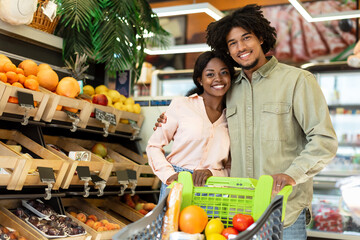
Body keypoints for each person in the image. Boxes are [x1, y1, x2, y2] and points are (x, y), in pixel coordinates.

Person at [155, 4, 338, 240]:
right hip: (240, 214)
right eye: (232, 43)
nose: (240, 47)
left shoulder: (297, 81)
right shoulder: (228, 88)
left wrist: (292, 174)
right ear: (227, 50)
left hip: (285, 210)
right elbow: (209, 128)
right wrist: (167, 121)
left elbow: (324, 140)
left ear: (261, 38)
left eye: (246, 38)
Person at [146, 51, 235, 200]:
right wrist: (169, 175)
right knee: (172, 224)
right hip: (178, 184)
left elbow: (231, 166)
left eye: (224, 72)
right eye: (210, 74)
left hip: (214, 191)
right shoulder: (182, 105)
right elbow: (154, 146)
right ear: (200, 80)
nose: (218, 79)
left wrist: (212, 173)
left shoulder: (233, 117)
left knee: (213, 225)